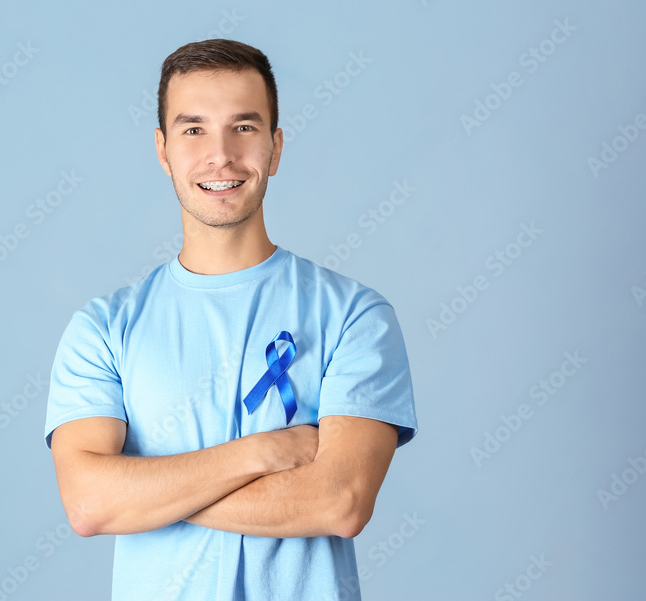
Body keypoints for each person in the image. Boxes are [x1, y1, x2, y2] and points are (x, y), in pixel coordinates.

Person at [44, 39, 418, 600]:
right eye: (193, 129)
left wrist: (146, 491)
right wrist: (262, 453)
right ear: (163, 149)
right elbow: (89, 503)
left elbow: (339, 502)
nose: (220, 155)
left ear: (276, 146)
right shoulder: (103, 328)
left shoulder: (354, 316)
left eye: (243, 127)